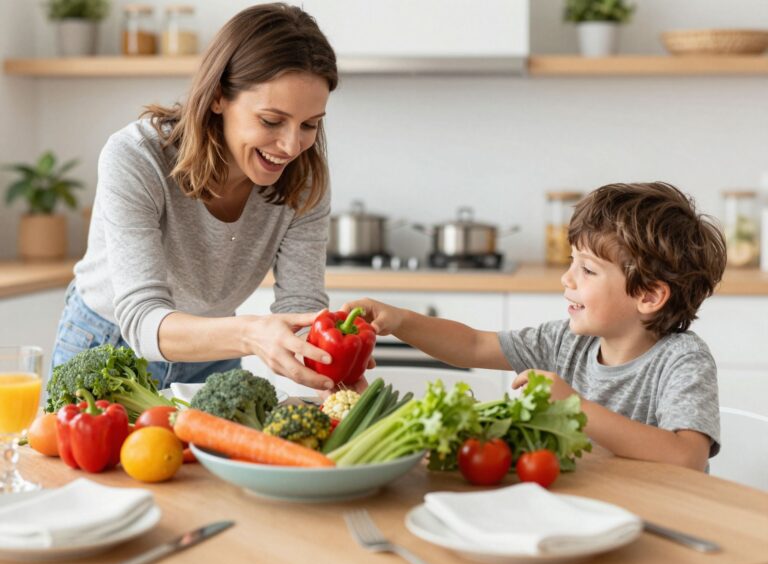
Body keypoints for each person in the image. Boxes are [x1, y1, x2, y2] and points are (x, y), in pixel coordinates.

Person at [50, 3, 339, 391]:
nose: (291, 146)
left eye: (309, 125)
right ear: (218, 96)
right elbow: (142, 319)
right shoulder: (136, 157)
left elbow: (301, 310)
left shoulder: (304, 180)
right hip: (110, 344)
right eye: (271, 121)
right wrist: (251, 334)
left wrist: (333, 367)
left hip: (215, 353)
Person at [344, 182, 728, 471]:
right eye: (572, 262)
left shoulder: (682, 360)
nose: (566, 278)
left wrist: (574, 406)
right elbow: (473, 345)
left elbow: (687, 456)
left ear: (648, 295)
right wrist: (402, 320)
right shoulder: (565, 341)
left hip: (661, 514)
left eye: (587, 269)